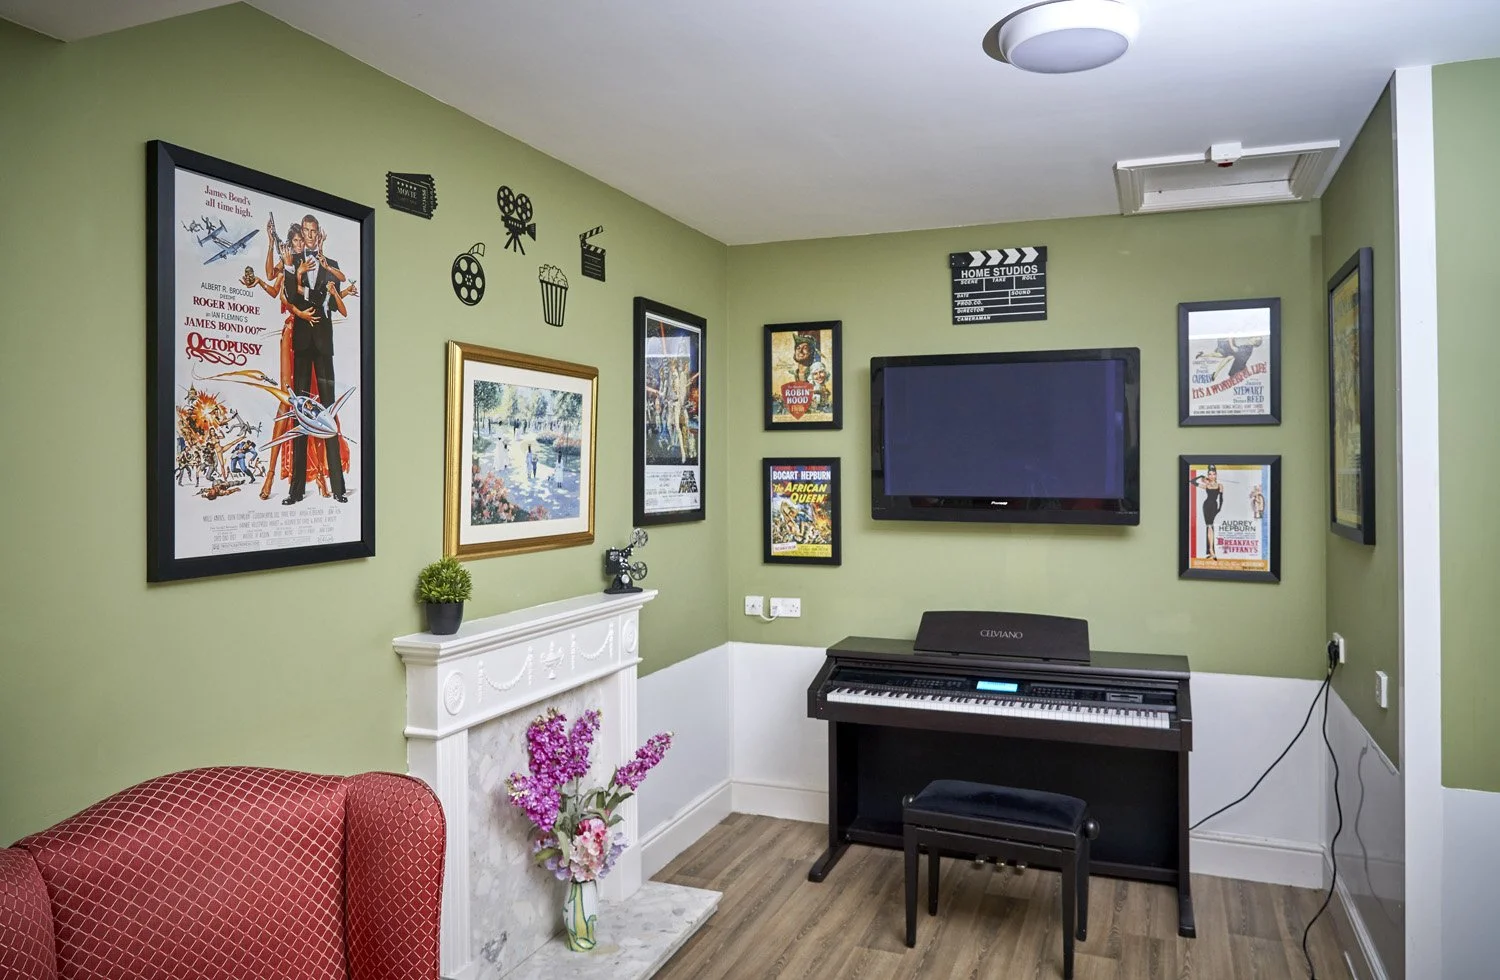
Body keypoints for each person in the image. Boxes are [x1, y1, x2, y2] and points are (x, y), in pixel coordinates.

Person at [284, 213, 348, 505]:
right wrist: (299, 280)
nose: (309, 235)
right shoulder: (294, 264)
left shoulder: (331, 266)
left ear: (319, 233)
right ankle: (296, 491)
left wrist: (320, 290)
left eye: (313, 231)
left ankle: (338, 488)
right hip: (302, 344)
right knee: (300, 414)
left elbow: (334, 302)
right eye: (305, 231)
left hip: (323, 346)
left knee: (329, 414)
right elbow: (288, 295)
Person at [1187, 464, 1224, 559]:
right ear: (1208, 475)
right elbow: (1192, 481)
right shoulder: (1206, 486)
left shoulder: (1220, 485)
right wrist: (1200, 477)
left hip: (1214, 506)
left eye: (1213, 474)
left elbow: (1221, 499)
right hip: (1206, 506)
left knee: (1210, 526)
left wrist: (1219, 509)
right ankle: (1211, 551)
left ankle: (1211, 551)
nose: (1211, 476)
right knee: (1209, 526)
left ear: (1216, 475)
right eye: (1210, 474)